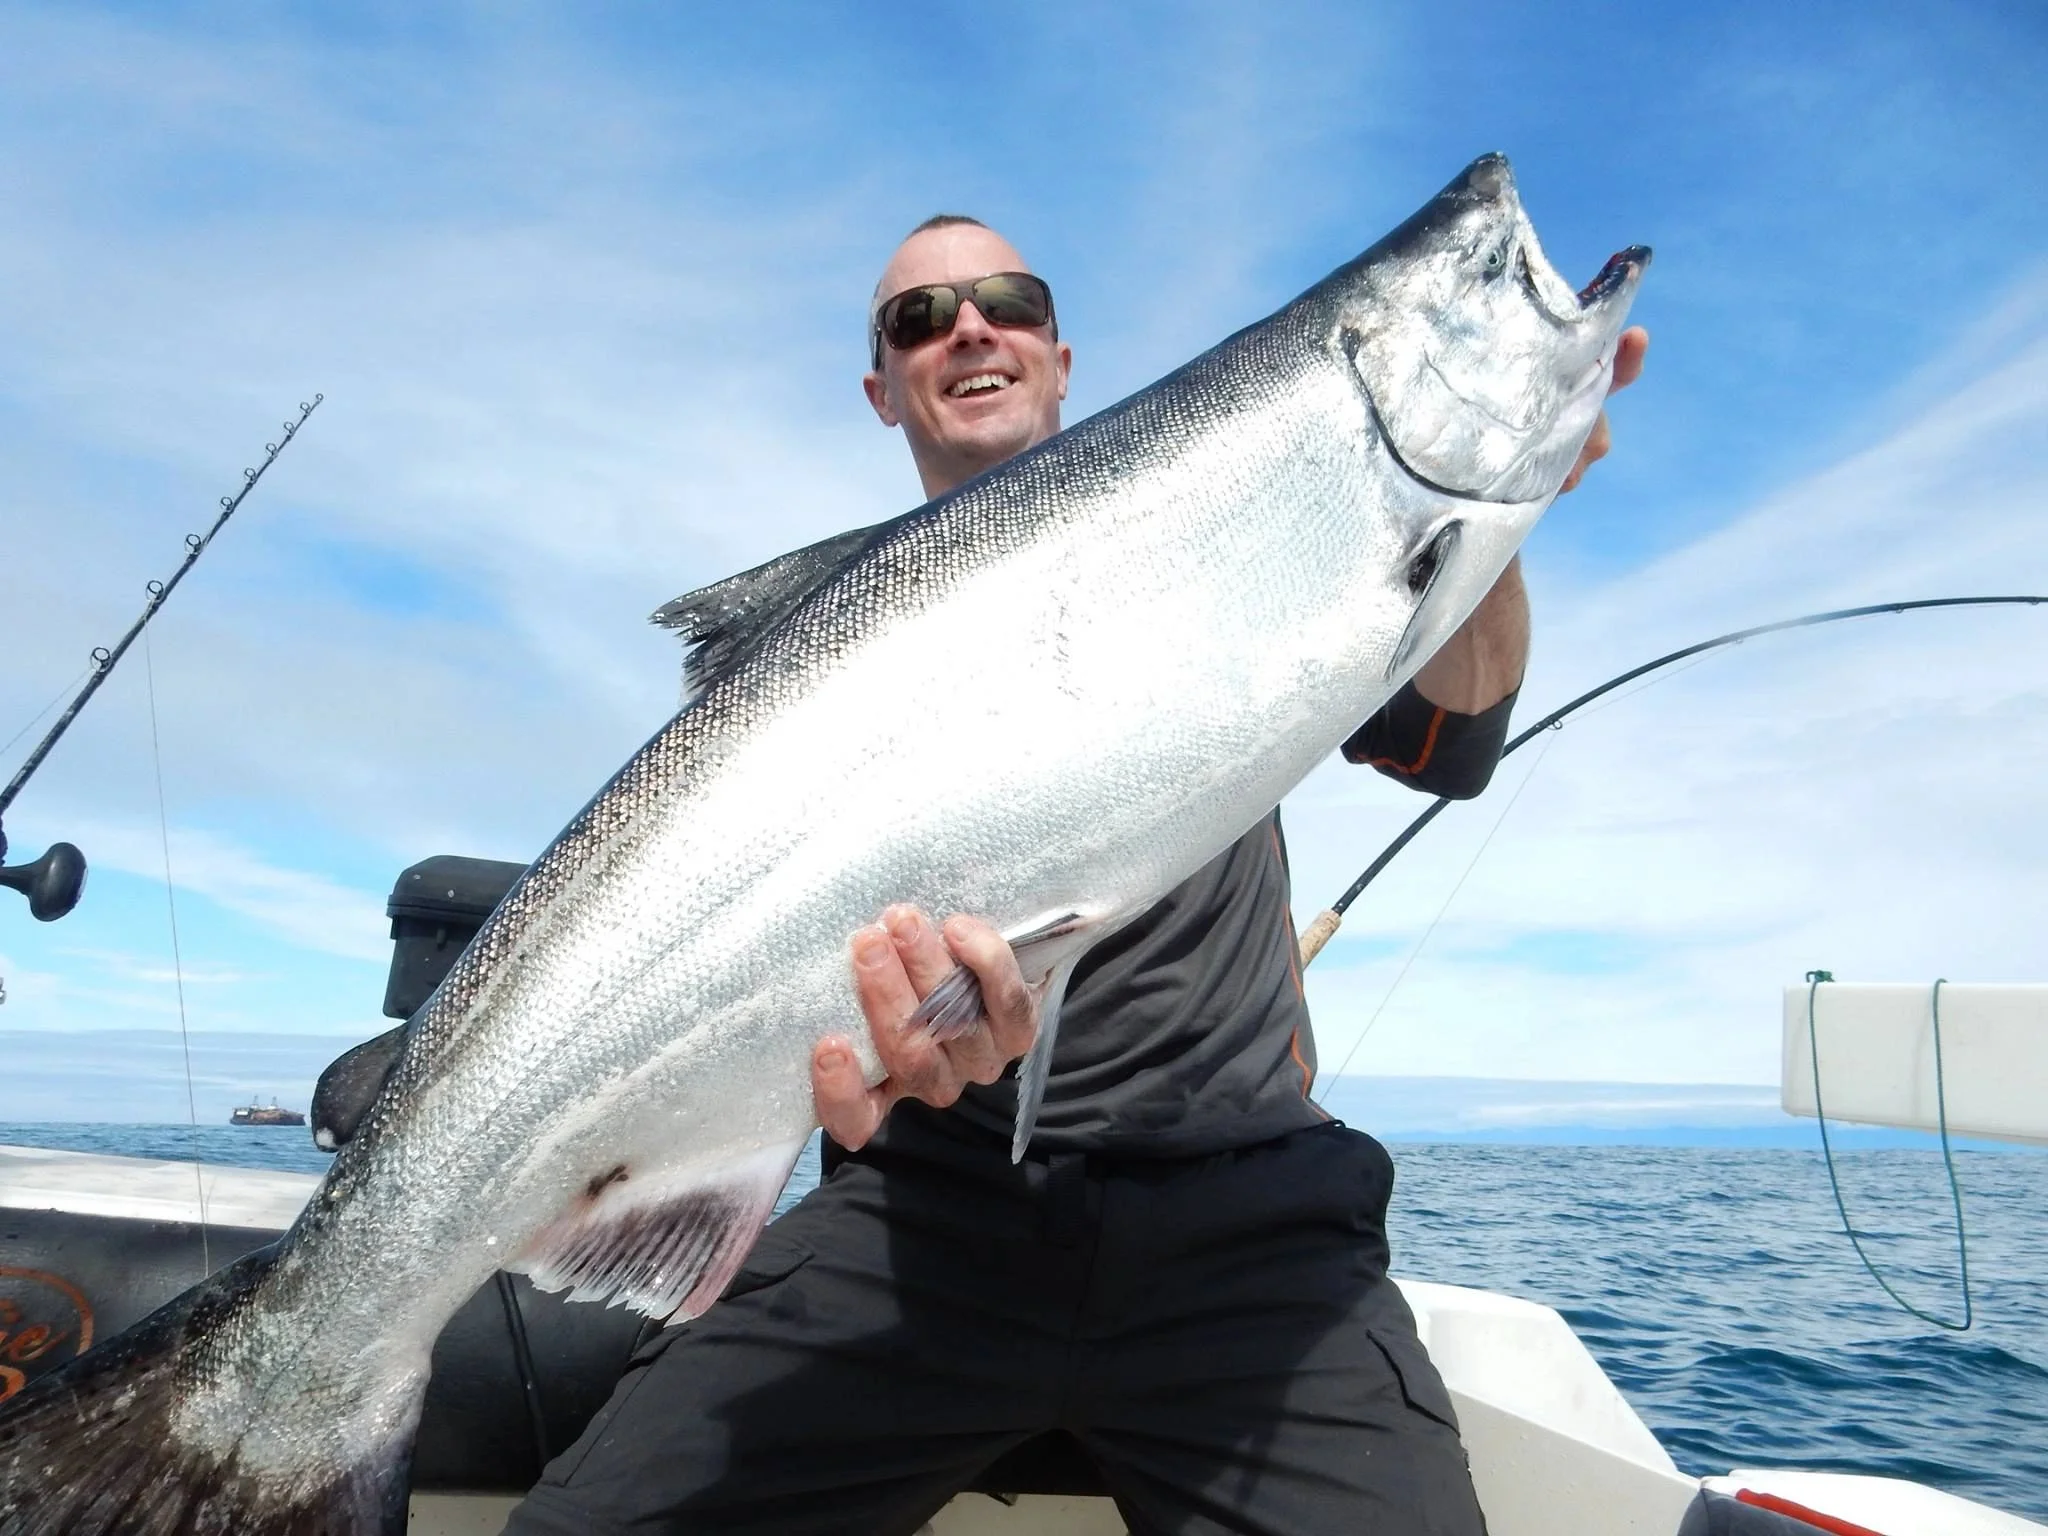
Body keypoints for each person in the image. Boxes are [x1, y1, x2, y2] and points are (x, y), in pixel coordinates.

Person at [509, 216, 1648, 1536]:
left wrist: (1488, 519)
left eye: (1004, 301)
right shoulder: (817, 696)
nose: (968, 328)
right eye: (920, 319)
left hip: (1248, 1227)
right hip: (919, 1216)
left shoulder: (1248, 536)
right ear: (884, 389)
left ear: (1057, 353)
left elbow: (1451, 738)